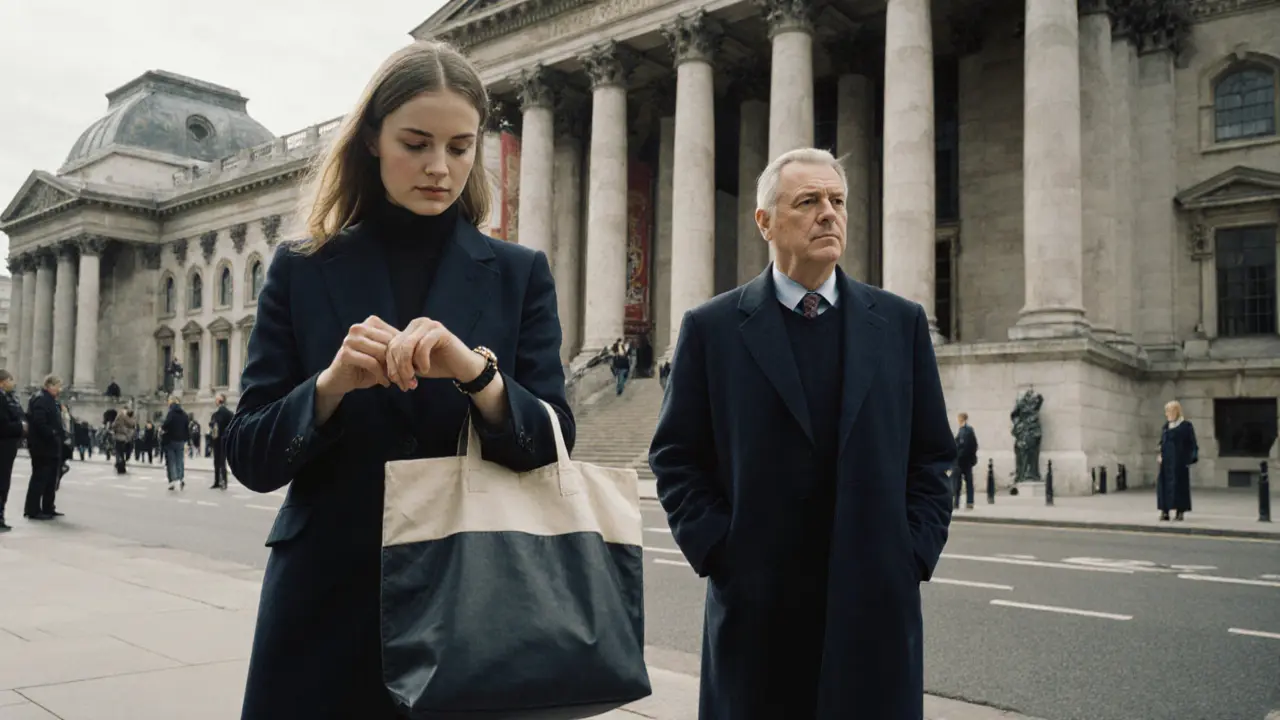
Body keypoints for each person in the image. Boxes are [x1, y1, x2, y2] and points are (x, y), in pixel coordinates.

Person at [225, 40, 573, 719]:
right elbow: (249, 456)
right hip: (326, 608)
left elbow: (555, 446)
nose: (439, 167)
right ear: (372, 142)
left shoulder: (518, 272)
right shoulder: (301, 268)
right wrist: (328, 389)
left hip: (474, 603)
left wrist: (478, 376)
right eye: (416, 143)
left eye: (460, 146)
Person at [649, 147, 955, 720]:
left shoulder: (900, 323)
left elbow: (934, 455)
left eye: (837, 201)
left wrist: (910, 551)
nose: (828, 214)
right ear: (764, 221)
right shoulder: (711, 329)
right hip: (757, 611)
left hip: (874, 607)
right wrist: (719, 549)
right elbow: (675, 456)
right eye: (808, 201)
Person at [24, 375, 68, 520]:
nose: (59, 389)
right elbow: (39, 422)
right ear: (49, 385)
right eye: (57, 386)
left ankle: (48, 507)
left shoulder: (51, 400)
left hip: (51, 445)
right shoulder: (41, 399)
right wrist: (53, 433)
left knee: (51, 478)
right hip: (42, 445)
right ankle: (33, 510)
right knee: (39, 478)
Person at [1157, 400, 1197, 521]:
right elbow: (1161, 442)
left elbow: (1192, 444)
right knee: (1164, 486)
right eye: (1166, 411)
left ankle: (1180, 511)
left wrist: (1190, 458)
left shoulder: (1186, 426)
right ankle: (1165, 511)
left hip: (1179, 461)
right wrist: (1159, 454)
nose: (1167, 414)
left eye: (1169, 411)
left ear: (1176, 411)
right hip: (1166, 462)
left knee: (1179, 486)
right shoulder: (1166, 426)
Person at [0, 370, 26, 531]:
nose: (13, 383)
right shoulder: (2, 399)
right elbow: (2, 425)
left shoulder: (7, 398)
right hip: (3, 446)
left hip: (6, 445)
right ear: (2, 381)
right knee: (2, 481)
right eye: (10, 380)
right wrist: (20, 427)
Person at [160, 396, 189, 491]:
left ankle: (172, 481)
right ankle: (181, 479)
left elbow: (166, 425)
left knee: (171, 461)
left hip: (171, 440)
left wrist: (162, 429)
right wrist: (186, 440)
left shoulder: (171, 413)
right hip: (181, 441)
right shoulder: (184, 414)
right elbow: (186, 428)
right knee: (180, 460)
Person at [954, 412, 978, 509]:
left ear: (961, 419)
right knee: (965, 483)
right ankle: (968, 502)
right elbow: (974, 445)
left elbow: (964, 446)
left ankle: (958, 503)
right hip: (966, 461)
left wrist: (958, 456)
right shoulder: (966, 430)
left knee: (960, 483)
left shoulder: (966, 431)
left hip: (963, 461)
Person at [209, 393, 233, 489]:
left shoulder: (221, 413)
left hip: (220, 439)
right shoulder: (227, 413)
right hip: (221, 439)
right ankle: (220, 481)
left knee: (220, 461)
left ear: (220, 401)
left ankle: (220, 481)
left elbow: (215, 424)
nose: (215, 401)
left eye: (216, 399)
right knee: (219, 461)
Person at [110, 408, 138, 474]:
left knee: (120, 453)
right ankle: (121, 466)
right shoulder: (128, 419)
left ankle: (120, 466)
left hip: (120, 438)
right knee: (123, 452)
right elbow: (133, 425)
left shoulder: (120, 417)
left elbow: (113, 426)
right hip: (126, 438)